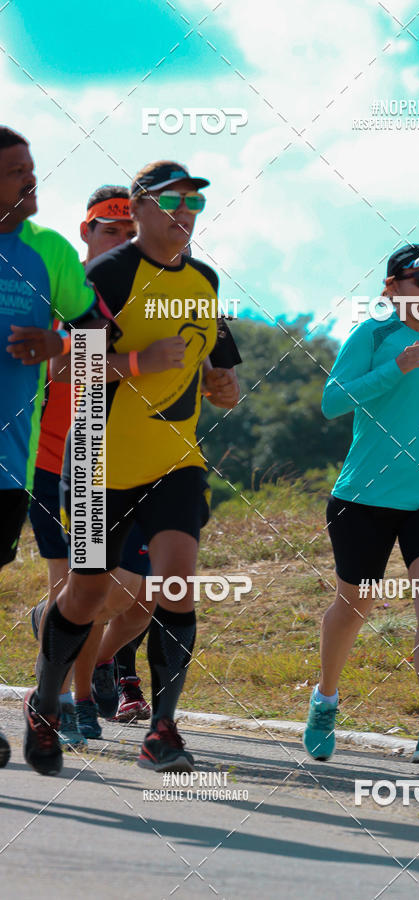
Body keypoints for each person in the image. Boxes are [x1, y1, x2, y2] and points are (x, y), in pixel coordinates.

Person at [24, 159, 241, 776]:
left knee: (176, 582)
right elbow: (67, 369)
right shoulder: (105, 278)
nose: (184, 214)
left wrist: (222, 385)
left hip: (174, 459)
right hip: (96, 455)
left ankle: (163, 731)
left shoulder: (204, 281)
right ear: (140, 206)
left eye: (195, 204)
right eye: (172, 201)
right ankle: (45, 704)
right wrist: (139, 362)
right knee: (88, 592)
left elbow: (217, 368)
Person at [303, 243, 419, 765]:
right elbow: (333, 401)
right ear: (392, 288)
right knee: (354, 605)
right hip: (365, 495)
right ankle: (326, 698)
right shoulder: (373, 334)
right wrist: (398, 368)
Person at [28, 185, 152, 748]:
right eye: (111, 230)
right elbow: (59, 371)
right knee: (77, 584)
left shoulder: (146, 294)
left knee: (132, 593)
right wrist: (130, 360)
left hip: (123, 461)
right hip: (53, 460)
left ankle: (52, 631)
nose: (121, 242)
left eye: (130, 233)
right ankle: (72, 703)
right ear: (86, 231)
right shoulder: (58, 289)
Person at [0, 125, 103, 767]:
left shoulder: (51, 254)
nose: (32, 180)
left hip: (12, 462)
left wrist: (60, 346)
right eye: (15, 171)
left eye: (32, 168)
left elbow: (99, 342)